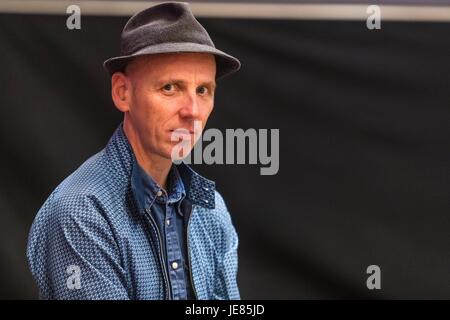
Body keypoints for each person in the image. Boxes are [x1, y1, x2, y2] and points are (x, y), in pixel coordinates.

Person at [26, 2, 241, 300]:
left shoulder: (211, 209)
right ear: (122, 93)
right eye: (170, 87)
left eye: (203, 90)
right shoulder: (81, 212)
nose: (193, 111)